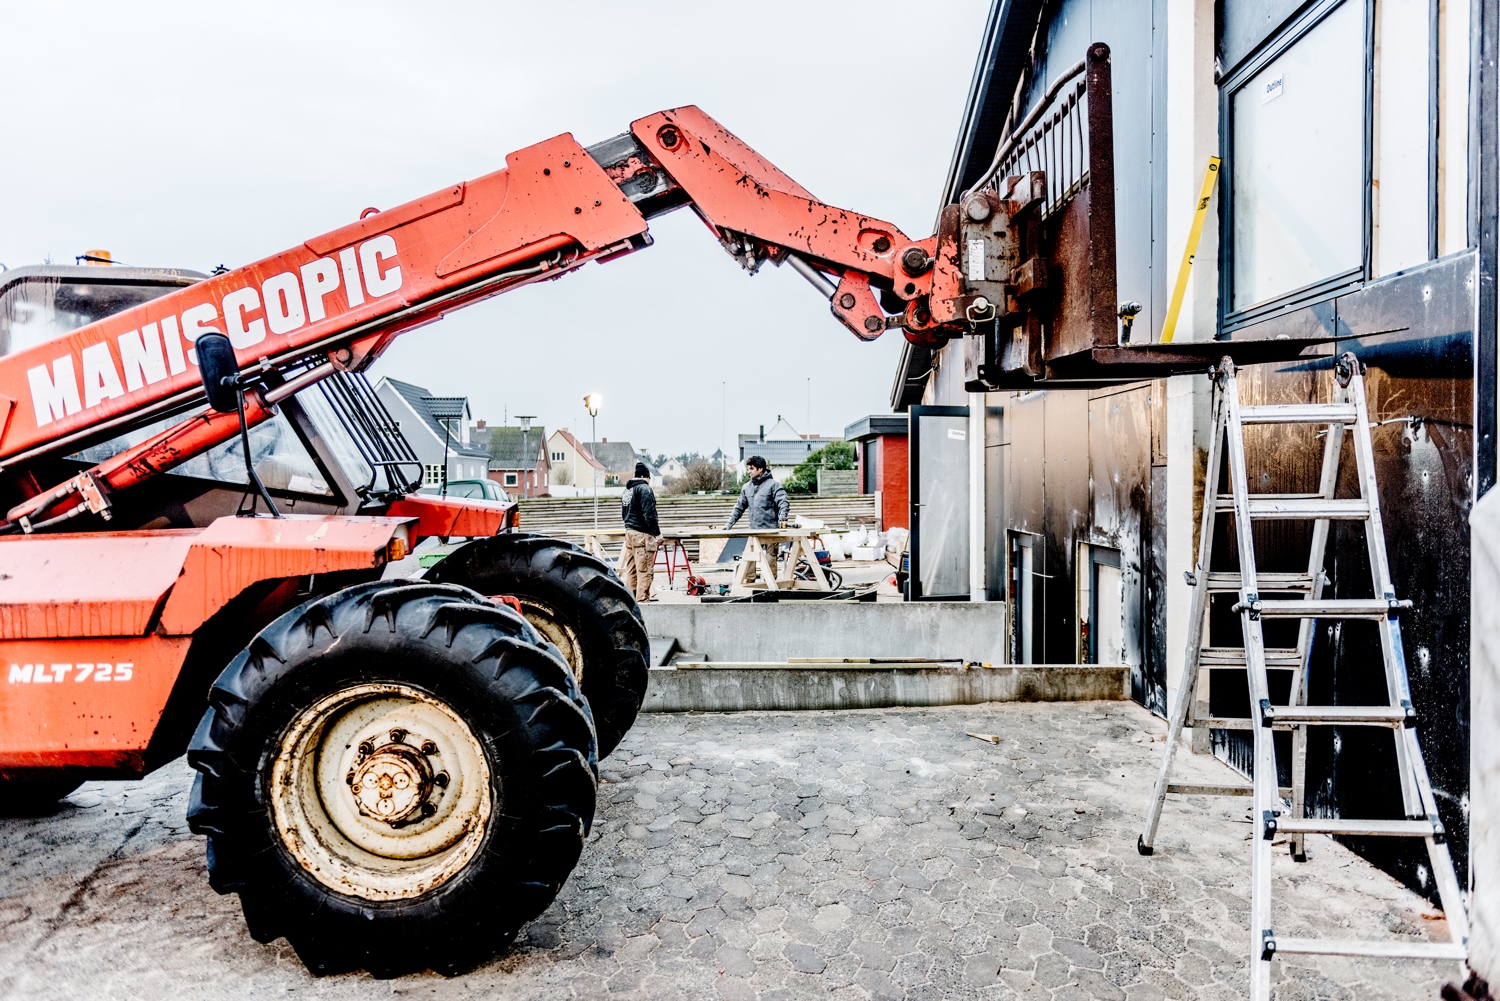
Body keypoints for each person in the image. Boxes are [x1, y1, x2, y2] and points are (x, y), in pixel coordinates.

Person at [619, 462, 660, 602]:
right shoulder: (644, 489)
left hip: (629, 533)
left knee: (632, 571)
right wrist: (657, 533)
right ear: (646, 477)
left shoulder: (627, 491)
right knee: (645, 571)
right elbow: (650, 514)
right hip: (642, 535)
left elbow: (624, 515)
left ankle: (632, 605)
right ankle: (643, 604)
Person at [725, 455, 789, 530]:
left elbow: (783, 502)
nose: (749, 471)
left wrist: (782, 518)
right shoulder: (746, 487)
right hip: (753, 531)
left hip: (771, 531)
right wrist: (728, 524)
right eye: (748, 469)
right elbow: (738, 508)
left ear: (760, 469)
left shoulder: (774, 485)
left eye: (752, 468)